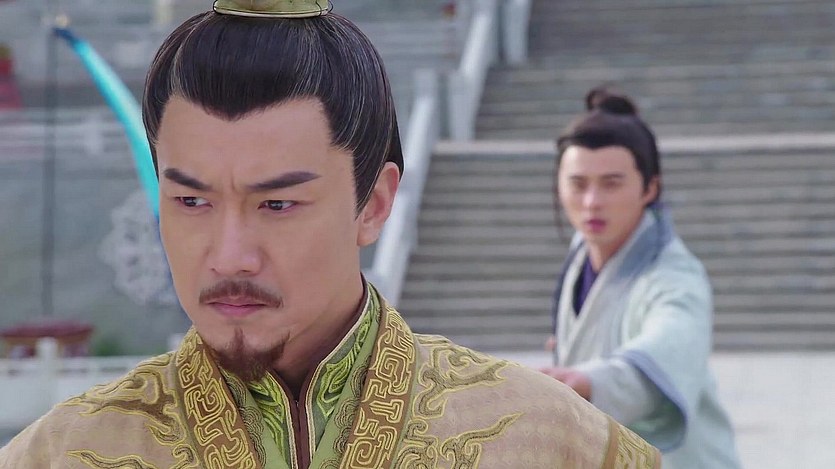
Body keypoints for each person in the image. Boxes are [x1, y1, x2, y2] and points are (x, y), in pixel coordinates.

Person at [0, 3, 661, 468]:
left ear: (373, 204)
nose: (229, 256)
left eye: (278, 203)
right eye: (192, 200)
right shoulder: (63, 454)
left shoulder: (548, 442)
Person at [540, 86, 741, 468]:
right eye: (578, 184)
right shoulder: (583, 250)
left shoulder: (675, 276)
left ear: (650, 188)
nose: (592, 202)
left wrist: (588, 381)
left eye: (611, 183)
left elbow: (670, 342)